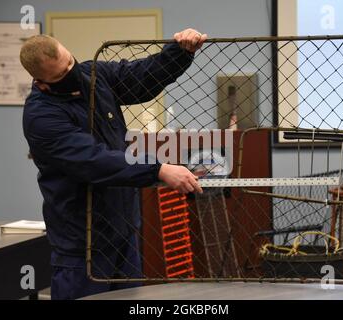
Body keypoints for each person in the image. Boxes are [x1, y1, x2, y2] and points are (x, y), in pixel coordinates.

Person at [20, 28, 206, 299]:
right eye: (61, 74)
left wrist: (180, 52)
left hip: (123, 231)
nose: (72, 73)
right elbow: (95, 161)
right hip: (82, 243)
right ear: (42, 83)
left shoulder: (93, 75)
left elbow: (140, 76)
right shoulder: (41, 116)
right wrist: (159, 170)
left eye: (70, 62)